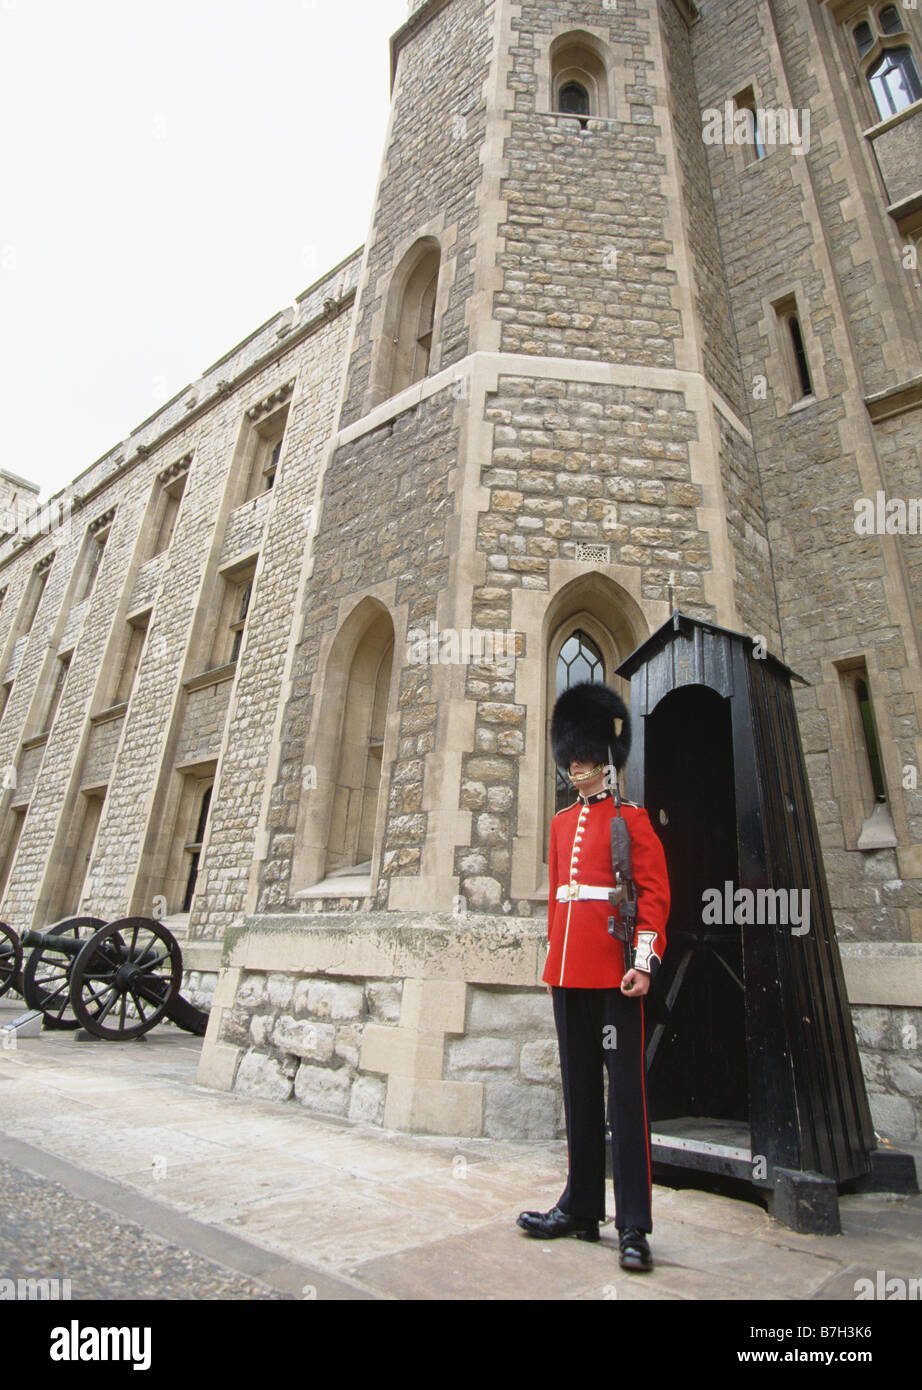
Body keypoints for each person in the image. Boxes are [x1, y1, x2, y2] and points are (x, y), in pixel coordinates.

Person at [517, 681, 670, 1271]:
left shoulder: (629, 819)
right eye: (570, 758)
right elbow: (561, 901)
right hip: (569, 975)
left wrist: (642, 963)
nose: (575, 767)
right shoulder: (558, 826)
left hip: (615, 975)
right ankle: (581, 1207)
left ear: (605, 761)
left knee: (625, 1099)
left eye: (584, 758)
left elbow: (654, 896)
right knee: (580, 1092)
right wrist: (553, 964)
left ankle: (633, 1224)